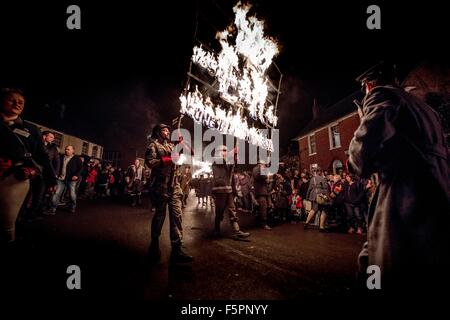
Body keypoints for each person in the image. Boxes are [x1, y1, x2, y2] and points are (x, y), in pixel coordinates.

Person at [349, 62, 450, 292]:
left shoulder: (382, 94)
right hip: (437, 196)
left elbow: (362, 154)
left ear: (369, 83)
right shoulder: (425, 110)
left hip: (405, 197)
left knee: (390, 267)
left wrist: (354, 153)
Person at [0, 88, 57, 248]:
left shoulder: (31, 129)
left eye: (21, 102)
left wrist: (51, 179)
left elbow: (42, 156)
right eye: (12, 99)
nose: (17, 103)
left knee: (7, 219)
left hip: (14, 178)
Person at [145, 124, 193, 263]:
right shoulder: (153, 145)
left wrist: (181, 143)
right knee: (159, 217)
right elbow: (150, 162)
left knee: (177, 217)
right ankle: (154, 246)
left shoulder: (173, 146)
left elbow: (191, 152)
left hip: (175, 186)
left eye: (168, 130)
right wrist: (168, 159)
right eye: (164, 130)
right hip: (161, 186)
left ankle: (177, 249)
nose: (167, 132)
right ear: (158, 132)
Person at [211, 145, 250, 239]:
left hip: (228, 190)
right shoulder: (216, 160)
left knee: (232, 210)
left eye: (226, 150)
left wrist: (235, 157)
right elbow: (223, 161)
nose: (225, 152)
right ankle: (216, 229)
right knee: (219, 212)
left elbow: (234, 168)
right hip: (220, 191)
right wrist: (233, 152)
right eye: (224, 150)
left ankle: (236, 231)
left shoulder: (226, 161)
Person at [46, 145, 82, 214]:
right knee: (56, 194)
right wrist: (56, 173)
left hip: (71, 180)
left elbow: (80, 168)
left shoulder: (76, 158)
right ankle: (52, 209)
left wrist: (76, 175)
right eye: (66, 149)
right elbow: (56, 164)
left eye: (68, 149)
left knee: (72, 195)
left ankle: (72, 207)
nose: (66, 150)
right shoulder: (61, 156)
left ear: (73, 151)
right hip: (61, 179)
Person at [304, 167, 330, 232]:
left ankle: (306, 222)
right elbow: (326, 188)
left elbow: (309, 189)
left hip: (314, 196)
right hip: (321, 196)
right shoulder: (323, 179)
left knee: (314, 209)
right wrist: (327, 197)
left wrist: (307, 197)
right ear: (320, 172)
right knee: (323, 210)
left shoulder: (313, 179)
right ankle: (321, 227)